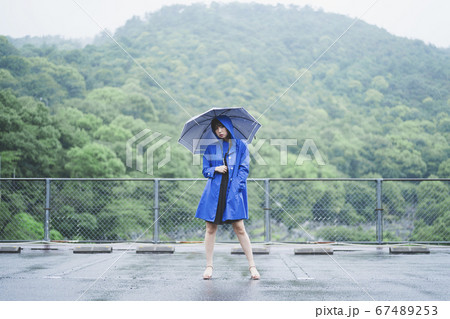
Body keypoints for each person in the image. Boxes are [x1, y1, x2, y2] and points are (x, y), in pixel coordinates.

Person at [195, 115, 260, 280]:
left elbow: (244, 169)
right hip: (214, 193)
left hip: (233, 192)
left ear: (228, 127)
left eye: (222, 127)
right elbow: (205, 170)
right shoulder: (211, 148)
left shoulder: (241, 146)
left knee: (239, 228)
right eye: (216, 128)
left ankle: (252, 266)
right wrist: (215, 169)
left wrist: (236, 189)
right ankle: (209, 266)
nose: (219, 131)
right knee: (210, 229)